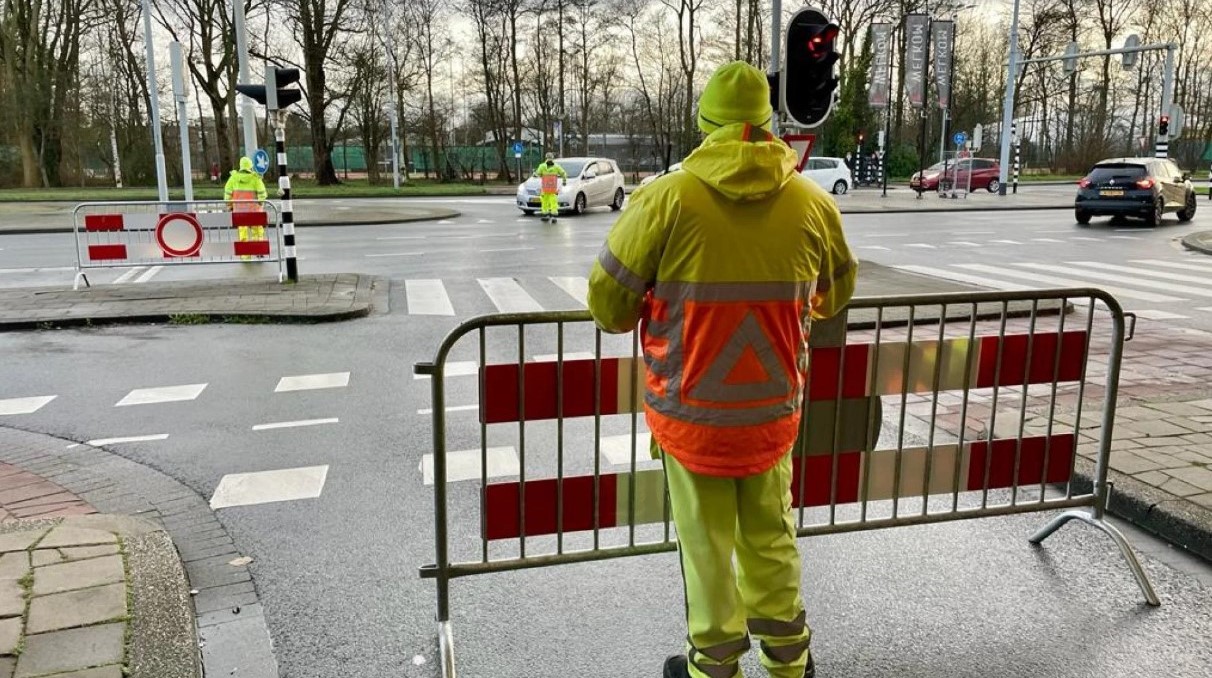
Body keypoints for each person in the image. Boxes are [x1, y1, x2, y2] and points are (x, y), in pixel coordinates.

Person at [586, 61, 857, 678]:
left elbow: (608, 307)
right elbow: (833, 296)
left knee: (705, 547)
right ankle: (790, 662)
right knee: (771, 536)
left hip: (692, 417)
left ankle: (714, 666)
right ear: (769, 126)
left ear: (704, 127)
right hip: (770, 413)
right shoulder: (814, 204)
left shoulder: (665, 200)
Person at [224, 157, 269, 252]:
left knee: (242, 233)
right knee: (257, 231)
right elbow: (262, 194)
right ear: (250, 166)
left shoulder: (233, 178)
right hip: (254, 211)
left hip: (240, 211)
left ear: (241, 166)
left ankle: (245, 254)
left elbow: (227, 193)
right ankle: (258, 250)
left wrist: (229, 205)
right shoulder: (255, 178)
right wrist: (260, 202)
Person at [535, 153, 567, 222]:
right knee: (553, 202)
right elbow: (563, 173)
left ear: (546, 157)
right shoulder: (556, 166)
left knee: (544, 201)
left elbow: (537, 174)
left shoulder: (542, 166)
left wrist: (538, 175)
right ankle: (553, 216)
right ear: (553, 158)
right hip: (553, 188)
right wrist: (564, 181)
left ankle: (545, 215)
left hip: (545, 187)